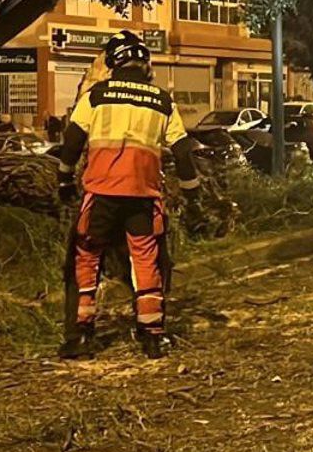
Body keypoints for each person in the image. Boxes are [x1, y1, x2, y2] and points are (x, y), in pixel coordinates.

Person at [55, 31, 203, 360]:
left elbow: (72, 140)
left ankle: (79, 337)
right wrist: (194, 197)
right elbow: (182, 153)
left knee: (85, 260)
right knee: (147, 261)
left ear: (112, 63)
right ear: (145, 63)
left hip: (101, 194)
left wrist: (64, 180)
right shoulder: (162, 101)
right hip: (143, 197)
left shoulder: (95, 96)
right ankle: (153, 337)